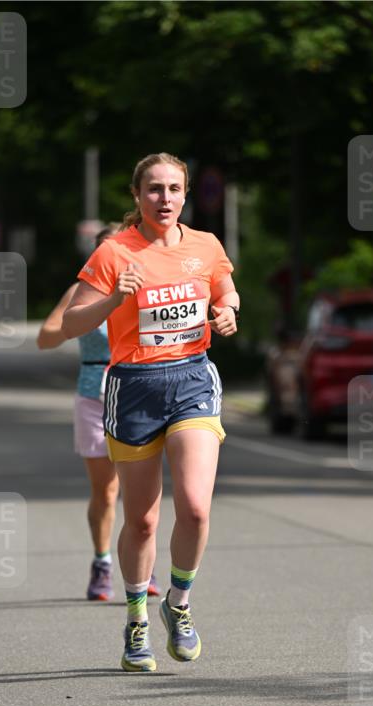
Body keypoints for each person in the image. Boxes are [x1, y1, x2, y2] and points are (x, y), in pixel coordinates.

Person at [61, 152, 239, 673]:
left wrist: (227, 309)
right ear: (137, 197)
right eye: (155, 189)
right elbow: (73, 323)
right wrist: (113, 299)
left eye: (174, 188)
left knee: (197, 507)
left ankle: (178, 605)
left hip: (191, 379)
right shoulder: (115, 253)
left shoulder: (205, 245)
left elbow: (224, 287)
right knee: (141, 520)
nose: (165, 198)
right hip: (133, 387)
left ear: (186, 194)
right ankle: (136, 618)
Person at [36, 224, 160, 602]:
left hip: (138, 391)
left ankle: (141, 562)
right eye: (107, 251)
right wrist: (77, 324)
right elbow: (46, 337)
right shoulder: (80, 291)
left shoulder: (149, 285)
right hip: (95, 393)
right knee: (106, 492)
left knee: (141, 491)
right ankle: (103, 561)